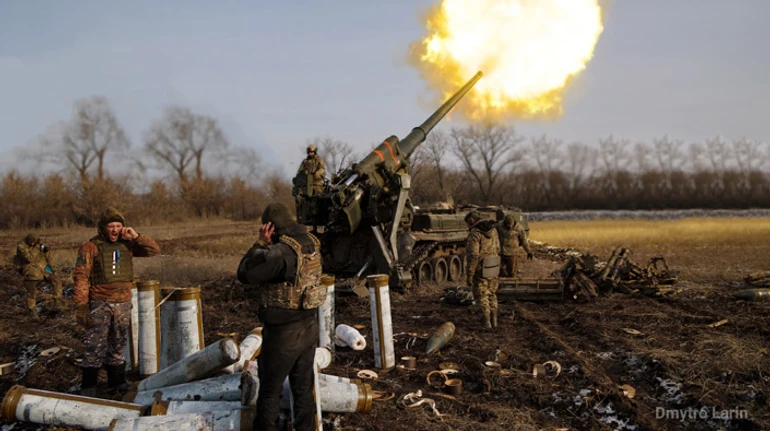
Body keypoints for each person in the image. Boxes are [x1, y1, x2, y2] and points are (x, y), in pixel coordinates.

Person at [237, 202, 326, 431]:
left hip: (283, 333)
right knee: (303, 389)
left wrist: (260, 243)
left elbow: (245, 273)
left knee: (270, 391)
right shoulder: (311, 243)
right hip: (309, 326)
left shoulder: (281, 252)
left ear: (270, 227)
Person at [73, 207, 160, 397]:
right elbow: (81, 276)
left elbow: (154, 250)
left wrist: (135, 236)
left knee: (119, 344)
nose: (114, 230)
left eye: (118, 226)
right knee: (94, 345)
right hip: (100, 303)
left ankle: (117, 384)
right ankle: (88, 387)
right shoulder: (91, 247)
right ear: (103, 228)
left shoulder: (128, 244)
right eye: (111, 226)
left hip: (122, 302)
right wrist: (81, 305)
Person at [465, 211, 501, 330]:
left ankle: (486, 323)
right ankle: (494, 321)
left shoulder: (475, 234)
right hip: (494, 264)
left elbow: (473, 256)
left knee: (481, 295)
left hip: (481, 267)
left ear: (471, 221)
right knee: (492, 293)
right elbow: (498, 248)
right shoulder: (494, 230)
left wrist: (470, 274)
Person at [15, 233, 63, 319]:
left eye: (34, 242)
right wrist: (38, 248)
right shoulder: (21, 246)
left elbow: (47, 258)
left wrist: (53, 269)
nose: (32, 243)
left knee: (57, 281)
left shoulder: (39, 245)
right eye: (31, 242)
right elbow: (29, 258)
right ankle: (32, 311)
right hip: (30, 269)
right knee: (32, 292)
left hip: (43, 268)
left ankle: (57, 302)